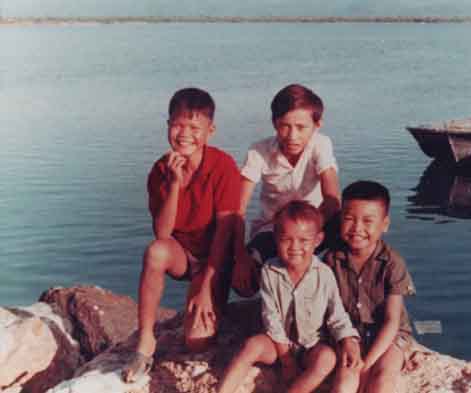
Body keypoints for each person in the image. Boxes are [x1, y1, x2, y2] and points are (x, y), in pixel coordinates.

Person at [122, 87, 241, 382]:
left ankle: (214, 307)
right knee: (155, 251)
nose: (185, 134)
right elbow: (163, 233)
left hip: (215, 257)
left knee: (196, 341)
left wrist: (205, 286)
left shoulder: (222, 165)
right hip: (182, 256)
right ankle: (146, 341)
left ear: (210, 131)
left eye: (194, 127)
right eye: (177, 125)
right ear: (167, 126)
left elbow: (226, 230)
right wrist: (175, 183)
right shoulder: (161, 170)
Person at [217, 201, 361, 393]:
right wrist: (286, 360)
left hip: (311, 345)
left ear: (318, 240)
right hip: (277, 345)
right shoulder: (270, 270)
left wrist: (348, 339)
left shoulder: (324, 274)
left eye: (304, 240)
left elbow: (337, 315)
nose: (295, 247)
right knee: (251, 346)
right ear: (276, 239)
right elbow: (271, 317)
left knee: (327, 359)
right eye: (286, 239)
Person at [232, 83, 341, 298]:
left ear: (317, 125)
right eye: (285, 126)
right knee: (244, 285)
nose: (292, 136)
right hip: (273, 231)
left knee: (348, 225)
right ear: (274, 123)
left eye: (301, 127)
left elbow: (332, 198)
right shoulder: (259, 151)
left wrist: (305, 233)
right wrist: (241, 257)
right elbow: (238, 208)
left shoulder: (321, 144)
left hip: (316, 224)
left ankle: (335, 289)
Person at [325, 180, 416, 393]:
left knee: (382, 380)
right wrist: (348, 342)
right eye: (349, 219)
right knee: (344, 382)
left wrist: (369, 362)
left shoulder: (392, 263)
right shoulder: (332, 260)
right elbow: (332, 311)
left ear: (384, 224)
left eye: (368, 221)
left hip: (388, 336)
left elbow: (392, 321)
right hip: (350, 333)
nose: (357, 228)